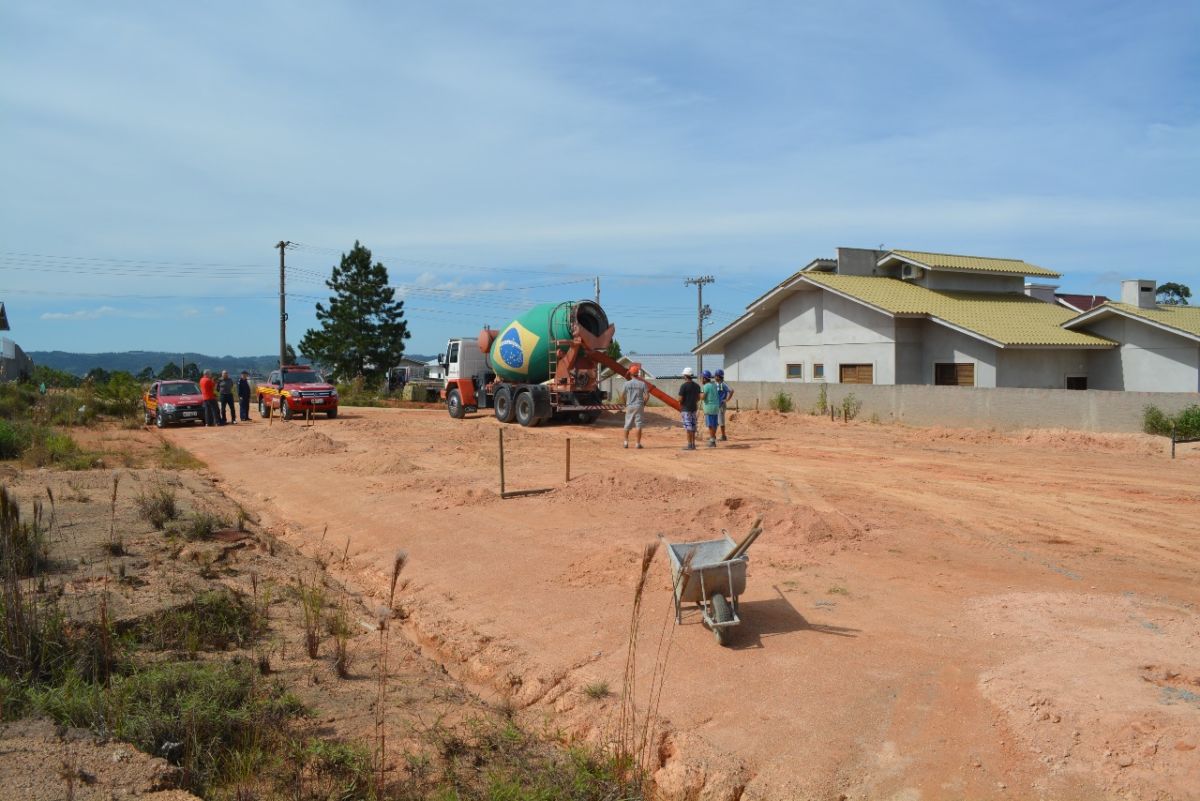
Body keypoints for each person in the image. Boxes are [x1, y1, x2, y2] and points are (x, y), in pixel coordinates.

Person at [622, 364, 647, 449]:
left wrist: (625, 403)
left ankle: (625, 442)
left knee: (627, 424)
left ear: (630, 374)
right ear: (638, 374)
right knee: (638, 425)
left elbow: (622, 395)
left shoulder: (626, 384)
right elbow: (647, 395)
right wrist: (644, 403)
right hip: (639, 405)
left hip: (630, 405)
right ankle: (637, 444)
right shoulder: (642, 384)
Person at [676, 367, 701, 451]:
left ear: (686, 376)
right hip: (694, 408)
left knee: (688, 428)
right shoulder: (697, 386)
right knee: (693, 427)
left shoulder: (683, 386)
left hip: (686, 409)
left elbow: (680, 399)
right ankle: (693, 444)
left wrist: (679, 402)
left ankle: (689, 445)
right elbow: (698, 398)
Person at [700, 370, 720, 448]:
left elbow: (702, 397)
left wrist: (699, 393)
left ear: (705, 379)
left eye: (702, 378)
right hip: (715, 407)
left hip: (709, 408)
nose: (701, 379)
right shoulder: (714, 385)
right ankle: (713, 438)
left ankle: (712, 441)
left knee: (711, 425)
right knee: (714, 424)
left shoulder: (706, 386)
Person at [714, 369, 734, 441]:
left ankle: (723, 436)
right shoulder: (716, 384)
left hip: (721, 405)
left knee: (721, 421)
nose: (714, 377)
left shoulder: (723, 384)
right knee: (716, 421)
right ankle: (713, 436)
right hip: (716, 405)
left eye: (716, 376)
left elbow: (731, 390)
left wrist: (727, 399)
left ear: (719, 377)